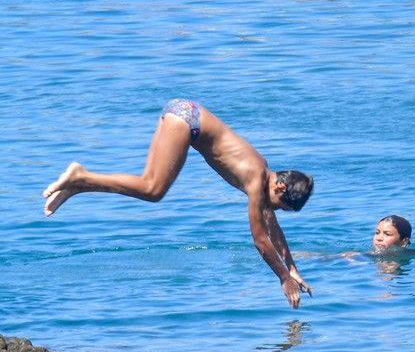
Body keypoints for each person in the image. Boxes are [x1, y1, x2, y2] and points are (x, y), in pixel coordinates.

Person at [42, 98, 315, 308]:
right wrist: (283, 277)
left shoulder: (263, 172)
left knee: (152, 185)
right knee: (152, 188)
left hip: (186, 113)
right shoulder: (257, 180)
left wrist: (292, 268)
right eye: (279, 205)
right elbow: (261, 240)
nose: (274, 210)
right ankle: (80, 176)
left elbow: (272, 227)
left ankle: (77, 186)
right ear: (280, 186)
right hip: (187, 122)